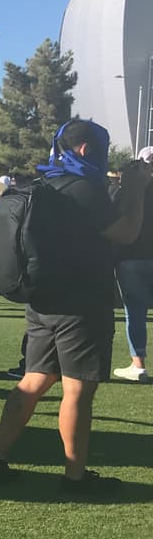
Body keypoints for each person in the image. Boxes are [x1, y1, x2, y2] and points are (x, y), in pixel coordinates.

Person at [0, 120, 149, 494]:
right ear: (87, 150)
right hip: (82, 302)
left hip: (42, 301)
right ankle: (75, 477)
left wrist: (124, 190)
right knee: (78, 391)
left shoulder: (47, 184)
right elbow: (125, 233)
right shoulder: (86, 189)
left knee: (33, 381)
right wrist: (137, 190)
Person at [114, 146, 153, 382]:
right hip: (137, 255)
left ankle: (138, 364)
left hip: (131, 255)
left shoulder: (129, 189)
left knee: (135, 312)